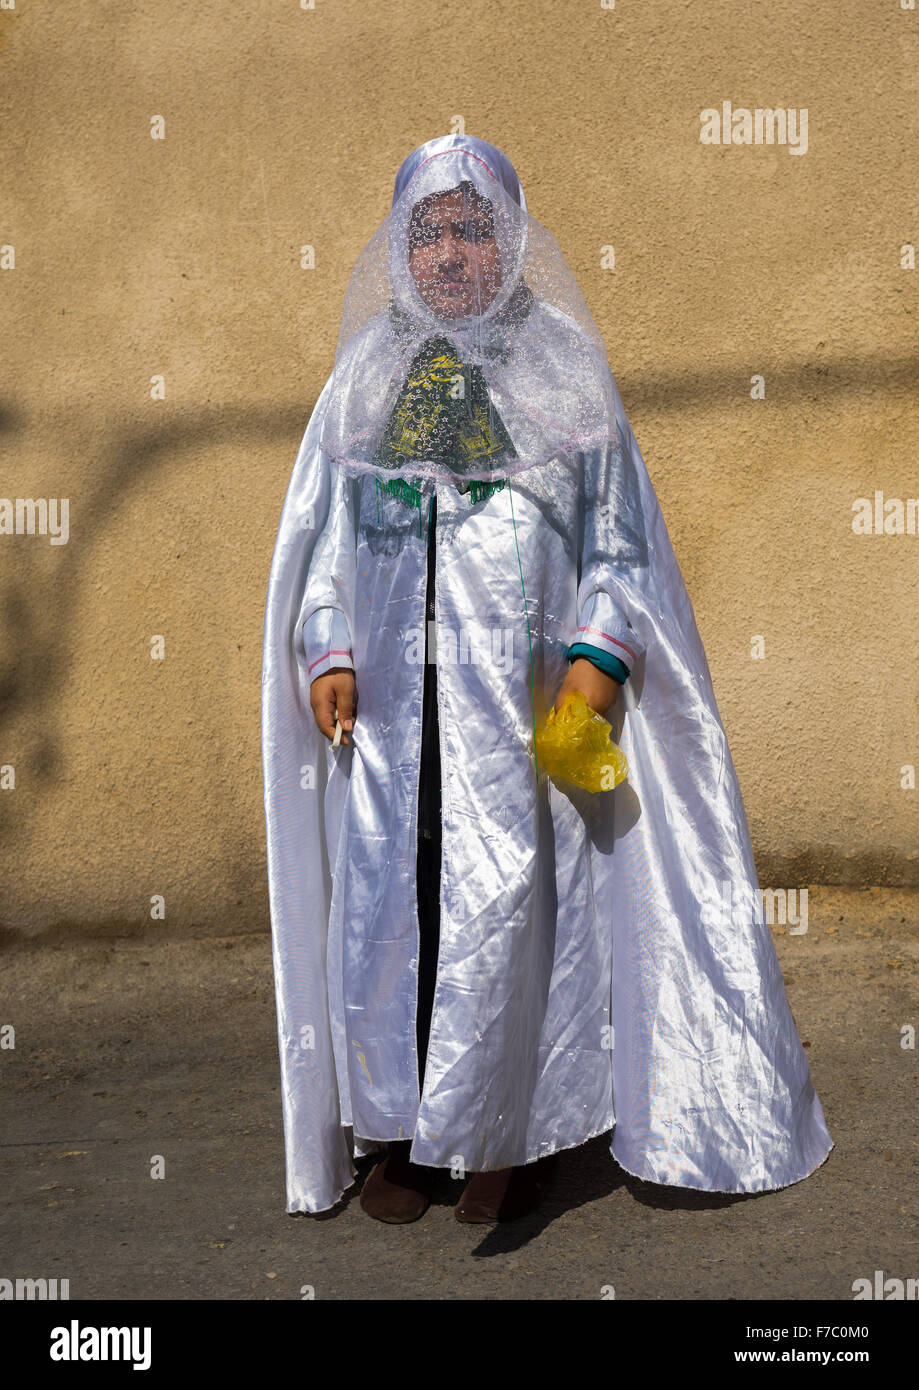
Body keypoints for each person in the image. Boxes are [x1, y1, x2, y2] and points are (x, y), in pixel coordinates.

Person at [261, 134, 832, 1226]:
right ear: (399, 250)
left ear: (511, 239)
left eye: (472, 227)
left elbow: (622, 549)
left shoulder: (562, 368)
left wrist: (595, 666)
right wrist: (326, 648)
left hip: (514, 713)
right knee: (396, 912)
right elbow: (322, 549)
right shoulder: (365, 377)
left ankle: (506, 1134)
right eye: (427, 233)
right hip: (391, 724)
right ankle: (406, 1130)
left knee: (506, 910)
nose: (450, 254)